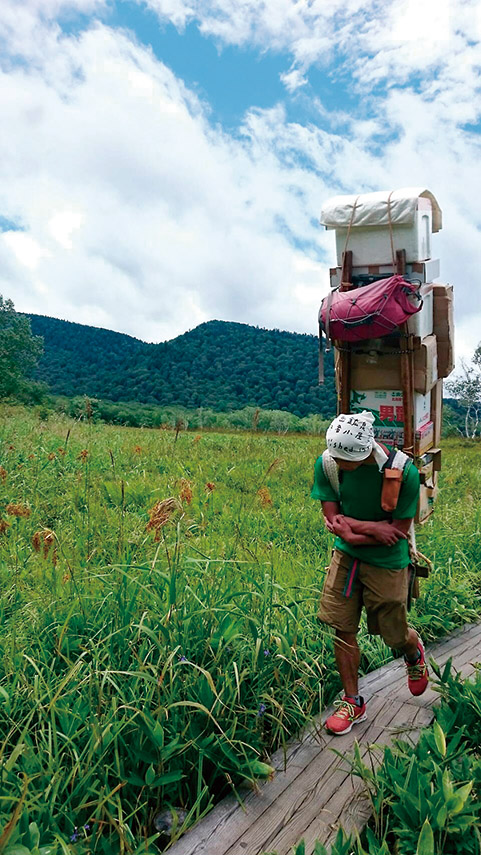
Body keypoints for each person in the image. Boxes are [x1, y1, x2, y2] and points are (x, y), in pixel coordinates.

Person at [311, 410, 428, 736]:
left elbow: (397, 532)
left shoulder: (403, 473)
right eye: (333, 455)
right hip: (347, 558)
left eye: (343, 457)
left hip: (388, 561)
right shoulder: (329, 464)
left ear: (365, 451)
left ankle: (412, 650)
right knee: (341, 626)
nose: (336, 461)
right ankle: (353, 701)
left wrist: (354, 528)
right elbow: (334, 520)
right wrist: (364, 531)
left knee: (393, 633)